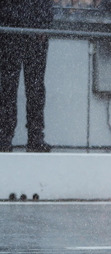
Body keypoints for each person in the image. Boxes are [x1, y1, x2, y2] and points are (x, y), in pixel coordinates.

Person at [0, 0, 53, 152]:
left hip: (13, 30)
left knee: (11, 87)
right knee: (28, 87)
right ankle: (33, 137)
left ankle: (7, 136)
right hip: (25, 31)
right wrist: (43, 24)